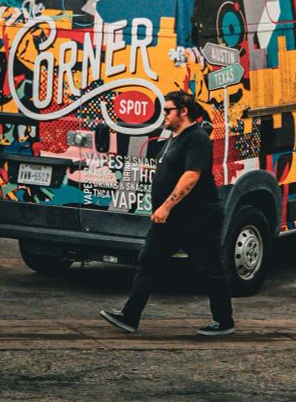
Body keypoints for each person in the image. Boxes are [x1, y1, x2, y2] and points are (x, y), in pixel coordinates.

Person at [100, 90, 235, 336]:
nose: (163, 115)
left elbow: (191, 176)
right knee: (147, 261)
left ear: (183, 111)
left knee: (210, 268)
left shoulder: (197, 138)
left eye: (167, 111)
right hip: (171, 221)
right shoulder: (174, 138)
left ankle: (224, 321)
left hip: (197, 218)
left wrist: (165, 206)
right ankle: (130, 316)